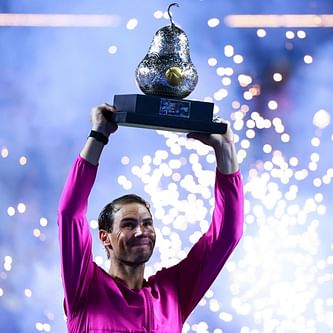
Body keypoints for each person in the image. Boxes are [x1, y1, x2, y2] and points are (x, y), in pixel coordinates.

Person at [57, 104, 244, 333]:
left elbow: (227, 235)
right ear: (105, 237)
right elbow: (70, 213)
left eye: (147, 223)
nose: (140, 231)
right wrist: (98, 134)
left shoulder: (173, 292)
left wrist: (226, 149)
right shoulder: (85, 286)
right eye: (128, 224)